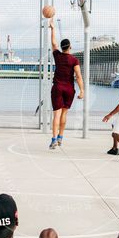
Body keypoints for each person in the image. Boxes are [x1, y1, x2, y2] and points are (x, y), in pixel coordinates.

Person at [48, 16, 84, 149]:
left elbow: (53, 43)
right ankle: (60, 138)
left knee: (56, 114)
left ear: (62, 47)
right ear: (70, 47)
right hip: (69, 89)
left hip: (57, 88)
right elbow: (79, 76)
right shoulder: (74, 60)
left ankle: (53, 140)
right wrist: (82, 90)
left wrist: (52, 29)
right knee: (64, 113)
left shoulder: (57, 56)